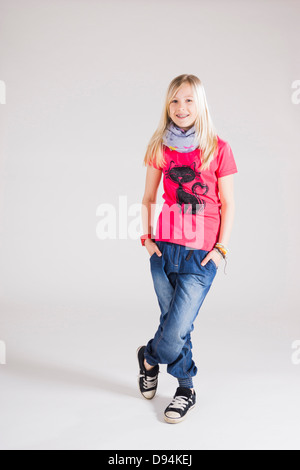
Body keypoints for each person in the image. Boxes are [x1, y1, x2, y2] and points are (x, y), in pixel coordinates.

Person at [137, 74, 238, 424]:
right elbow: (149, 198)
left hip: (200, 254)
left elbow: (228, 203)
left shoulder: (218, 148)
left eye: (189, 100)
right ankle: (185, 389)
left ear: (201, 104)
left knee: (174, 331)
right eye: (175, 101)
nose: (181, 108)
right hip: (164, 249)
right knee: (178, 325)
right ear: (168, 106)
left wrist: (220, 248)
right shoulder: (159, 148)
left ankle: (149, 358)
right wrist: (147, 240)